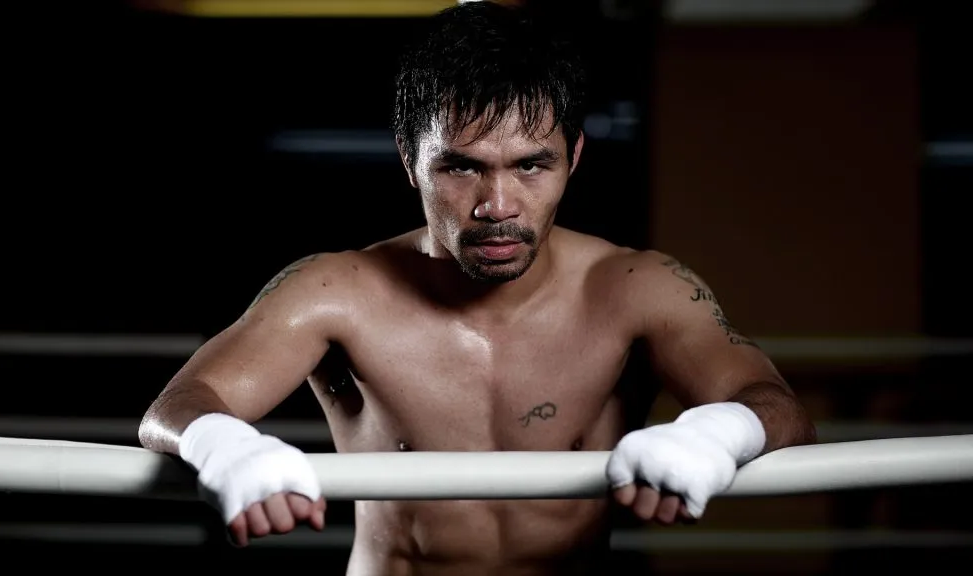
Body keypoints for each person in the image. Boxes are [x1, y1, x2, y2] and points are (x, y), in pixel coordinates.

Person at [138, 2, 817, 574]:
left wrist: (716, 434)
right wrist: (226, 447)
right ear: (410, 160)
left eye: (531, 166)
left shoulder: (638, 290)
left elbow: (777, 406)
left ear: (574, 156)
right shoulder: (335, 291)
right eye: (461, 168)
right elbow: (178, 406)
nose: (498, 205)